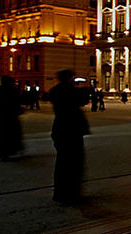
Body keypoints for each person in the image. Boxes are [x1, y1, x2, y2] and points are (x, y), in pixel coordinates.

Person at [49, 69, 89, 203]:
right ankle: (70, 192)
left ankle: (60, 191)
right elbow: (83, 100)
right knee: (73, 161)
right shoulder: (71, 90)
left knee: (62, 161)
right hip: (72, 127)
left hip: (59, 126)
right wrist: (82, 88)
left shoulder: (55, 90)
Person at [0, 76, 23, 160]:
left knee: (3, 135)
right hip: (11, 117)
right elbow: (17, 102)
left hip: (3, 117)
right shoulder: (12, 92)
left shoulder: (0, 91)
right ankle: (9, 151)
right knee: (11, 134)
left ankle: (3, 152)